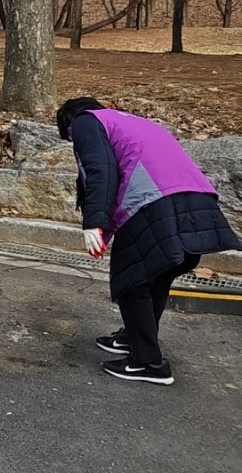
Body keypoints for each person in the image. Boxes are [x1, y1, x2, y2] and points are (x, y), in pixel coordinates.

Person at [57, 97, 242, 386]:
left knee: (131, 281)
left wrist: (94, 222)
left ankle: (149, 363)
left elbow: (100, 169)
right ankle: (137, 340)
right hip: (197, 201)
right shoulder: (132, 122)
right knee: (155, 276)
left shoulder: (85, 121)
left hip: (155, 203)